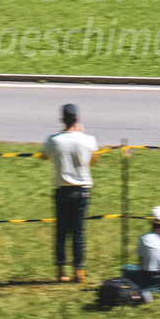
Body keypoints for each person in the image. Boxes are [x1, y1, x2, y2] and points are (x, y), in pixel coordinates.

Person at [40, 103, 98, 283]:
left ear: (62, 120)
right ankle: (79, 273)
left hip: (62, 190)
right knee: (79, 232)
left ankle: (59, 271)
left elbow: (44, 156)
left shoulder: (54, 140)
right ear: (77, 119)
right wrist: (81, 135)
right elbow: (93, 161)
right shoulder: (88, 139)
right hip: (82, 191)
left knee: (61, 232)